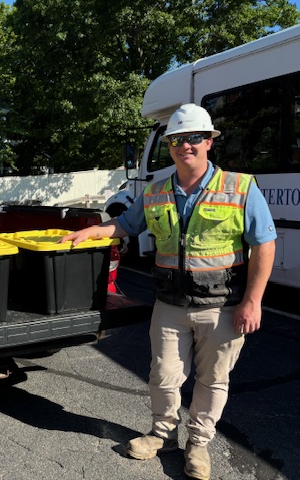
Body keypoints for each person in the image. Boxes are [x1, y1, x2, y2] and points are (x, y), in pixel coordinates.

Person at [61, 103, 276, 480]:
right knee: (162, 375)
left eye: (194, 138)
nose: (185, 146)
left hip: (223, 307)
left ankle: (199, 444)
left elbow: (264, 244)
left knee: (213, 380)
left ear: (209, 141)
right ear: (170, 145)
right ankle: (163, 435)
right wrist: (92, 231)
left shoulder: (240, 187)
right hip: (170, 304)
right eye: (177, 139)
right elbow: (127, 225)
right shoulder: (157, 190)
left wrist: (252, 302)